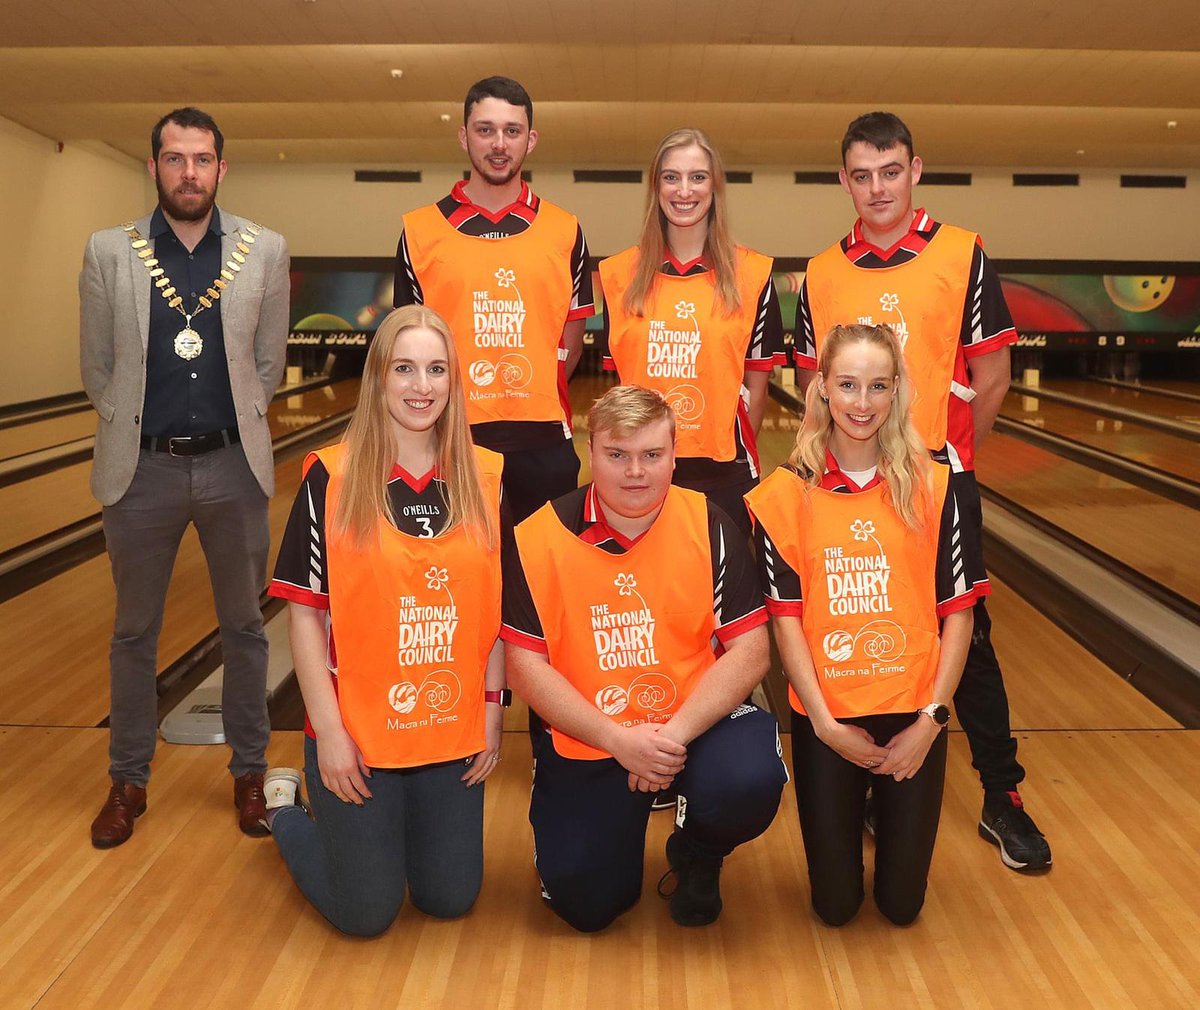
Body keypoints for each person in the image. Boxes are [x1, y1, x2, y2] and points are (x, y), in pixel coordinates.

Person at [793, 111, 1052, 872]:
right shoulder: (819, 270)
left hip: (937, 483)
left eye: (890, 171)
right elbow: (815, 392)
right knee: (860, 627)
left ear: (915, 171)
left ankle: (1002, 799)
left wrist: (948, 469)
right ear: (844, 180)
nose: (876, 188)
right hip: (845, 485)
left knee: (967, 648)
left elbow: (992, 376)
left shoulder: (962, 253)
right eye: (861, 175)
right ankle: (878, 783)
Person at [502, 385, 787, 932]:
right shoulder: (538, 536)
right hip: (593, 734)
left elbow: (751, 653)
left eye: (652, 455)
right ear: (591, 450)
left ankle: (698, 851)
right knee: (585, 906)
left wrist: (670, 738)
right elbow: (525, 667)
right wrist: (618, 741)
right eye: (618, 455)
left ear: (675, 455)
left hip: (693, 726)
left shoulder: (709, 523)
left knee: (746, 778)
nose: (636, 471)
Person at [80, 106, 290, 848]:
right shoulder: (112, 251)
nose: (189, 172)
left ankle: (250, 774)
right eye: (175, 158)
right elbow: (97, 367)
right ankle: (128, 781)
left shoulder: (264, 250)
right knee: (135, 632)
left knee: (245, 631)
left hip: (234, 466)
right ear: (155, 167)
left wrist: (237, 425)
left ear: (221, 169)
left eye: (202, 159)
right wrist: (136, 428)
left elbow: (270, 362)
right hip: (141, 473)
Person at [262, 305, 507, 937]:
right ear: (377, 379)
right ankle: (288, 809)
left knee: (449, 899)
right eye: (404, 369)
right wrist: (330, 734)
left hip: (449, 728)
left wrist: (491, 708)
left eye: (436, 370)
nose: (421, 387)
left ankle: (378, 841)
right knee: (365, 914)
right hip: (359, 735)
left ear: (454, 382)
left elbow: (494, 612)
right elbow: (306, 617)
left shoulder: (485, 477)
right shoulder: (331, 477)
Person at [747, 323, 982, 925]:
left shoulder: (938, 487)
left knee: (902, 906)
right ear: (821, 388)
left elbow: (958, 616)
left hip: (914, 710)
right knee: (835, 906)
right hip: (830, 714)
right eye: (847, 385)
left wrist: (932, 721)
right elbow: (786, 625)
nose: (861, 402)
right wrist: (824, 726)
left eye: (877, 386)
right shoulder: (783, 495)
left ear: (897, 389)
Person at [394, 75, 594, 524]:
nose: (498, 143)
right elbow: (405, 348)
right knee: (457, 588)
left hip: (544, 443)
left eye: (512, 130)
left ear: (531, 139)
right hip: (448, 441)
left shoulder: (565, 230)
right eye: (485, 130)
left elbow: (572, 339)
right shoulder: (419, 231)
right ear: (464, 136)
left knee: (537, 588)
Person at [599, 128, 785, 541]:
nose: (685, 190)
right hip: (637, 475)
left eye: (698, 177)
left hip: (724, 474)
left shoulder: (753, 275)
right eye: (671, 177)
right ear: (656, 186)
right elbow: (619, 390)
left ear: (715, 186)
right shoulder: (617, 276)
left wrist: (734, 456)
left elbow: (756, 386)